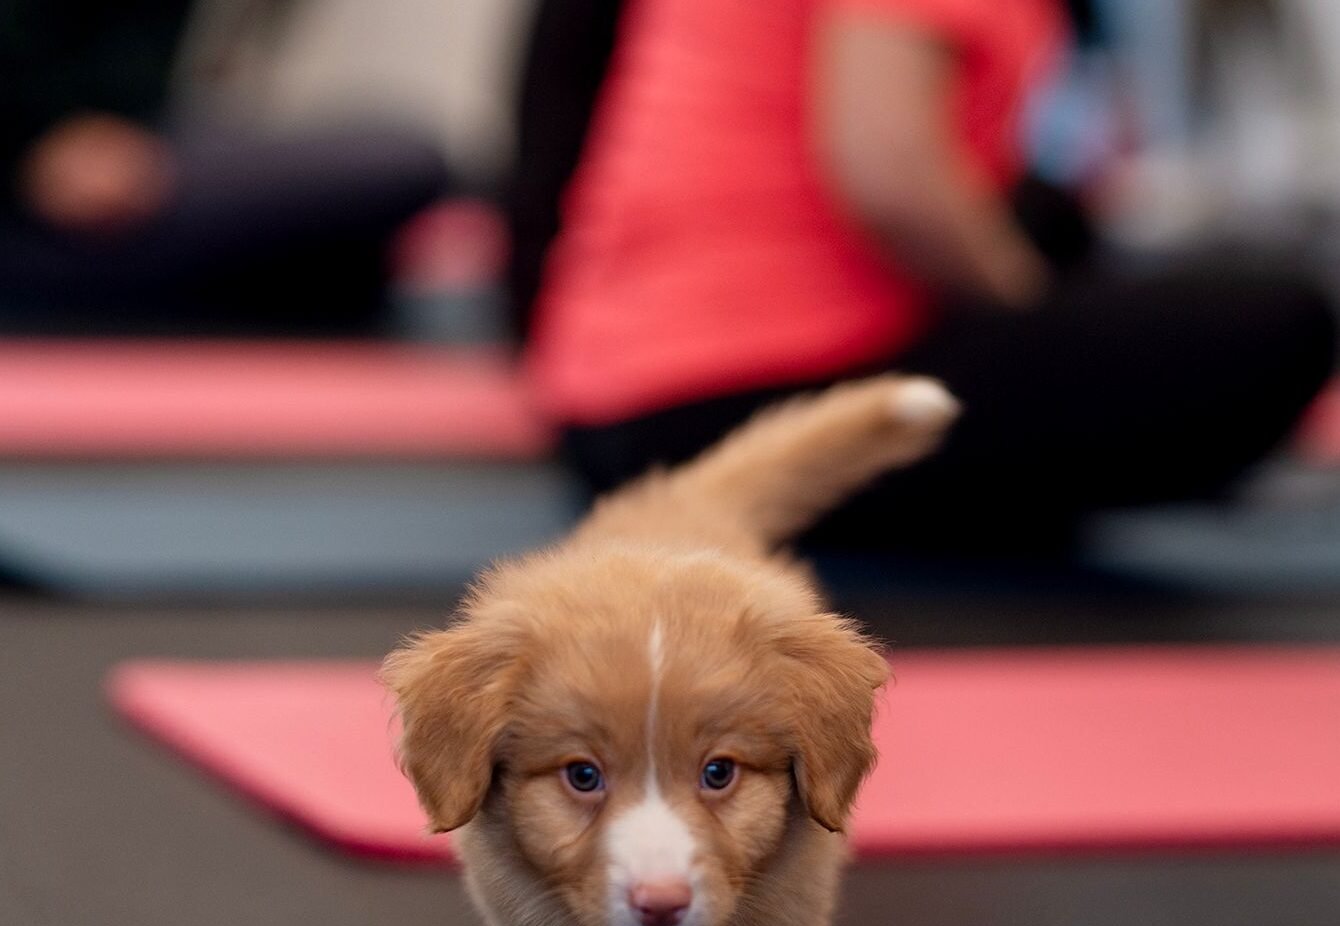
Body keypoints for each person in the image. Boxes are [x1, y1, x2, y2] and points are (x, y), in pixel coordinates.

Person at [516, 0, 1336, 558]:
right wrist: (1030, 318)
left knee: (1060, 226)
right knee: (1284, 328)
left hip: (612, 395)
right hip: (730, 417)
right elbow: (890, 174)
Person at [0, 1, 452, 332]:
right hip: (34, 204)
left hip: (134, 145)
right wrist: (31, 155)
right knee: (386, 172)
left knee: (397, 164)